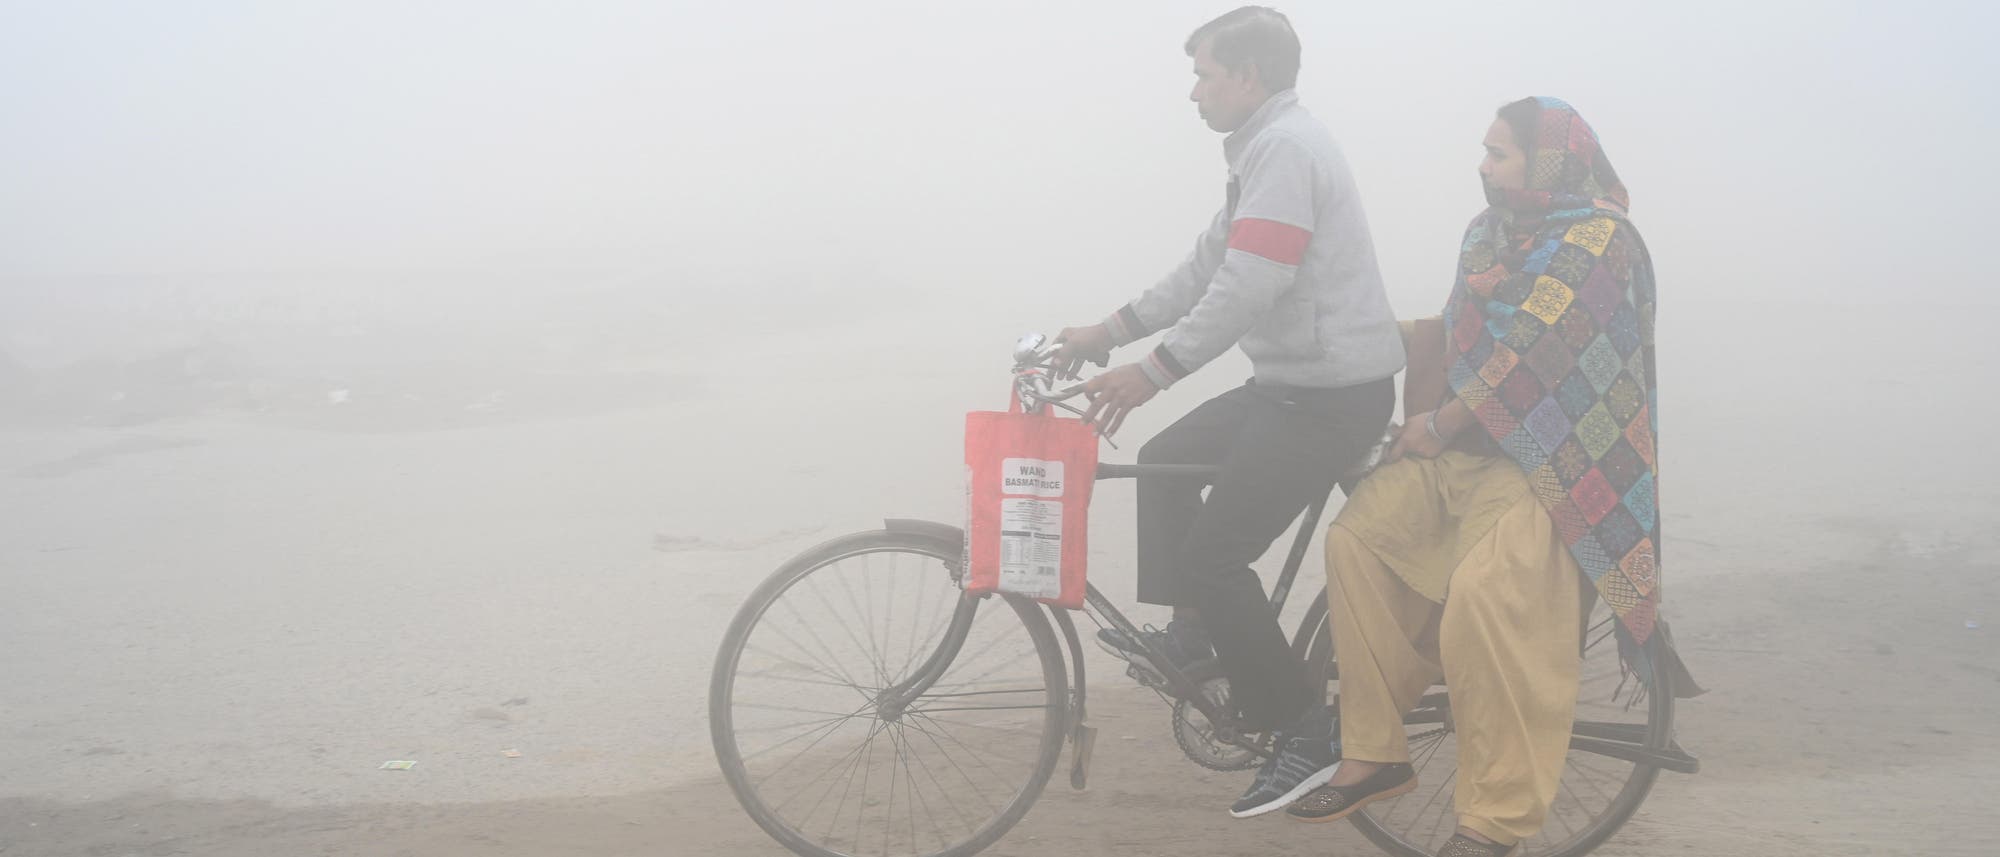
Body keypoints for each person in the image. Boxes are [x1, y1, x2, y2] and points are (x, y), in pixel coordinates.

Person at [1285, 98, 1693, 857]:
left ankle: (1492, 823)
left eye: (1500, 153)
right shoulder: (1486, 236)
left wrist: (1435, 426)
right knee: (1358, 542)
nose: (1483, 164)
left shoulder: (1601, 241)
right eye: (1485, 150)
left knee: (1480, 600)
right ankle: (1375, 748)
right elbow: (1459, 335)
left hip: (1552, 464)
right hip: (1463, 450)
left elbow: (1530, 349)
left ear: (1549, 162)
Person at [1049, 6, 1405, 819]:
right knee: (1165, 462)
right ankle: (1196, 635)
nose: (1194, 92)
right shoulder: (1260, 148)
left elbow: (1251, 283)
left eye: (1205, 74)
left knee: (1214, 556)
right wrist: (1107, 333)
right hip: (1289, 384)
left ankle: (1304, 730)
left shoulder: (1286, 148)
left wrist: (1155, 370)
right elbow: (1209, 261)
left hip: (1329, 397)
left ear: (1248, 76)